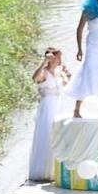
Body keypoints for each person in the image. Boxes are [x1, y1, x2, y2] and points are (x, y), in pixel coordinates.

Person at [29, 48, 71, 182]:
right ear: (52, 58)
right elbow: (35, 78)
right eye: (58, 57)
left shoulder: (59, 72)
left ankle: (56, 170)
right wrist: (44, 62)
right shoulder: (44, 73)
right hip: (47, 107)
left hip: (59, 106)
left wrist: (67, 75)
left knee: (59, 135)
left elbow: (66, 86)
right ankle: (43, 171)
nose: (60, 60)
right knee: (47, 135)